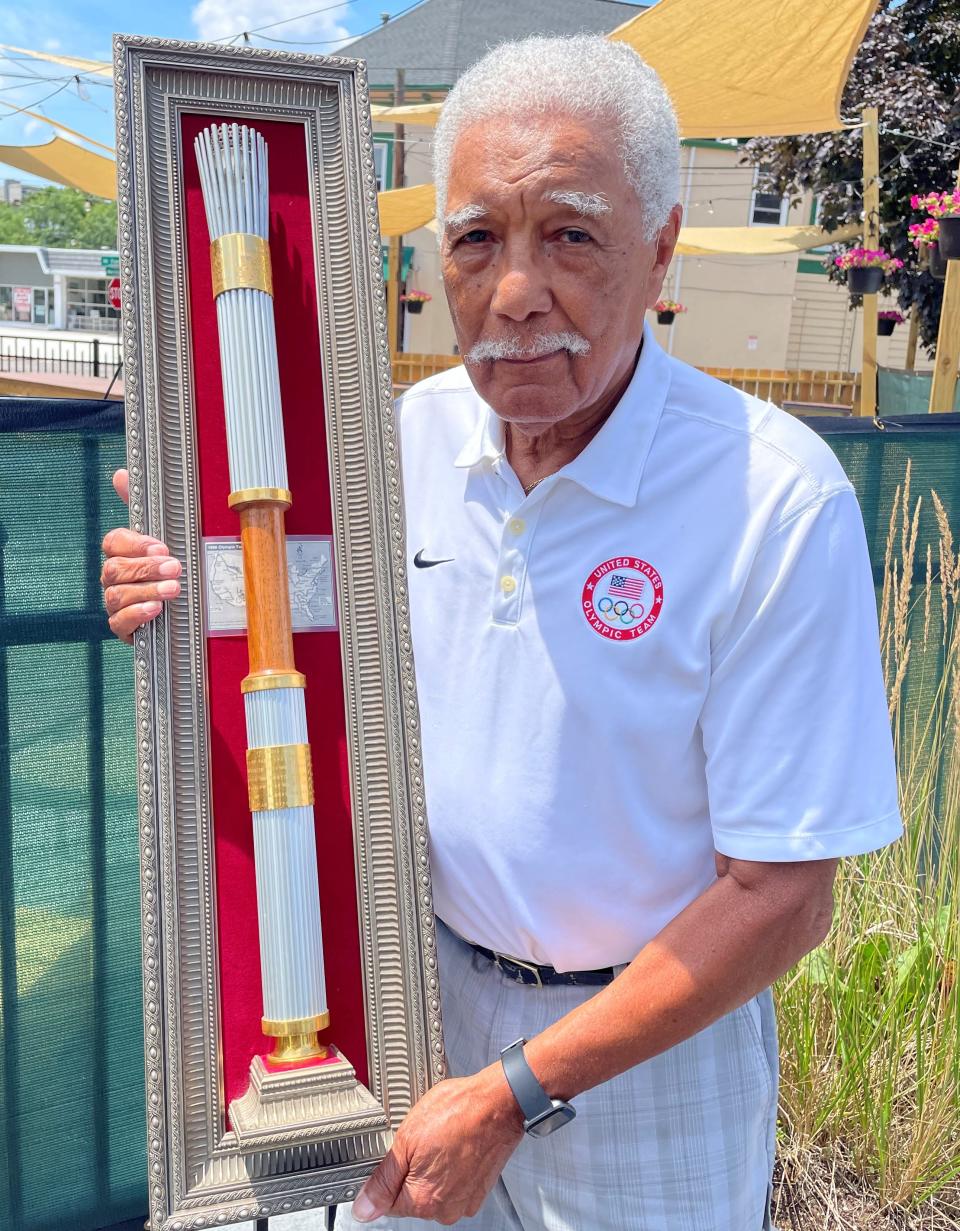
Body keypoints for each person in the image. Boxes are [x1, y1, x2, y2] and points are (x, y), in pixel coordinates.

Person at [100, 35, 902, 1231]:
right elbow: (275, 639)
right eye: (478, 238)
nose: (518, 290)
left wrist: (520, 1090)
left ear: (663, 247)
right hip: (409, 1013)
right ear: (438, 256)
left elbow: (784, 893)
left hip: (648, 1062)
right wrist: (168, 584)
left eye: (571, 234)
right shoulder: (387, 451)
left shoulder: (772, 495)